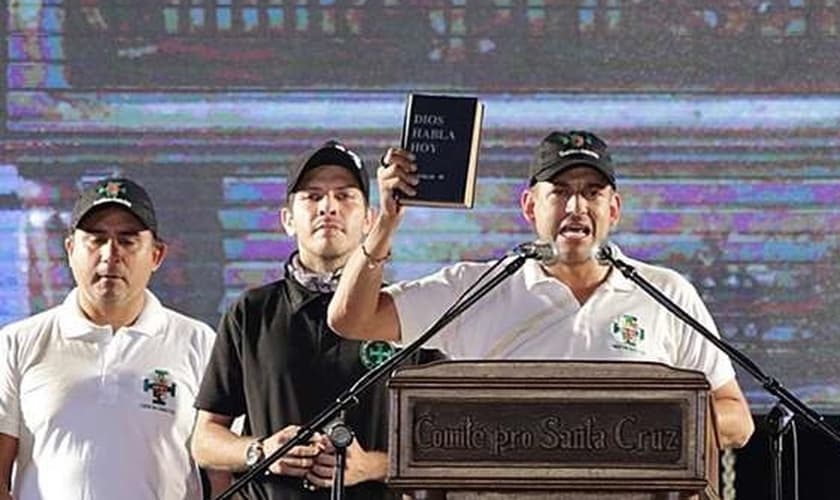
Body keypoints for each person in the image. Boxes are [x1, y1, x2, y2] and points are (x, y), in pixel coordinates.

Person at [327, 130, 755, 449]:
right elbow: (352, 319)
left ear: (615, 209)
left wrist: (642, 428)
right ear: (530, 207)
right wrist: (386, 222)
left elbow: (737, 419)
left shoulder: (665, 292)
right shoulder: (478, 288)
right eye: (561, 192)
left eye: (592, 193)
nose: (576, 207)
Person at [191, 140, 444, 499]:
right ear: (287, 220)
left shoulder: (403, 312)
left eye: (345, 196)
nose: (328, 207)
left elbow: (443, 449)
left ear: (369, 219)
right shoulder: (251, 312)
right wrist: (261, 452)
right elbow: (203, 439)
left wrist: (369, 465)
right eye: (312, 196)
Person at [0, 177, 221, 499]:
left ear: (157, 255)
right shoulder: (17, 343)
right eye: (96, 239)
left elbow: (222, 474)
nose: (110, 254)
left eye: (128, 241)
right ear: (70, 249)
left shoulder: (198, 342)